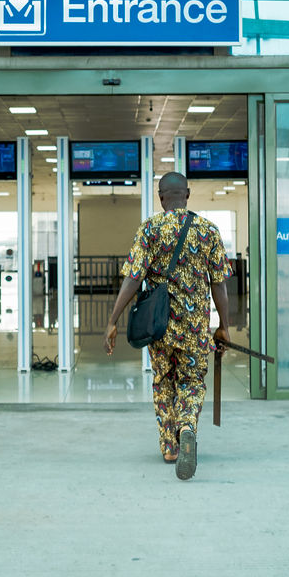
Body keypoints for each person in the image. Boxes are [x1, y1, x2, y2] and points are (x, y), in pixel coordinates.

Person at [103, 172, 231, 481]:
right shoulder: (208, 230)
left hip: (158, 327)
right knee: (191, 382)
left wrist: (113, 320)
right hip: (196, 328)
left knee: (163, 381)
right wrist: (224, 326)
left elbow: (133, 278)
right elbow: (220, 285)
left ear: (161, 198)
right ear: (187, 194)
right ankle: (187, 427)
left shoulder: (150, 228)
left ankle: (170, 447)